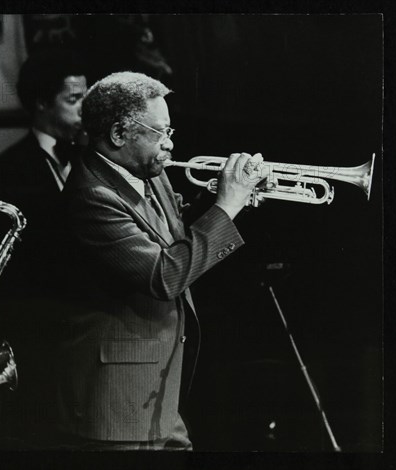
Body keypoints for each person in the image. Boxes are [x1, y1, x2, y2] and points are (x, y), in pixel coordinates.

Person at [55, 71, 263, 450]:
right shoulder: (90, 197)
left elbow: (174, 235)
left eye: (170, 132)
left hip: (159, 394)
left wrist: (224, 199)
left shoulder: (148, 174)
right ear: (120, 133)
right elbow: (164, 275)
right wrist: (226, 207)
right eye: (159, 132)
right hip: (117, 406)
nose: (169, 144)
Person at [0, 49, 88, 448]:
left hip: (90, 339)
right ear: (40, 103)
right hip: (37, 341)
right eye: (74, 100)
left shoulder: (93, 161)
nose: (85, 110)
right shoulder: (2, 173)